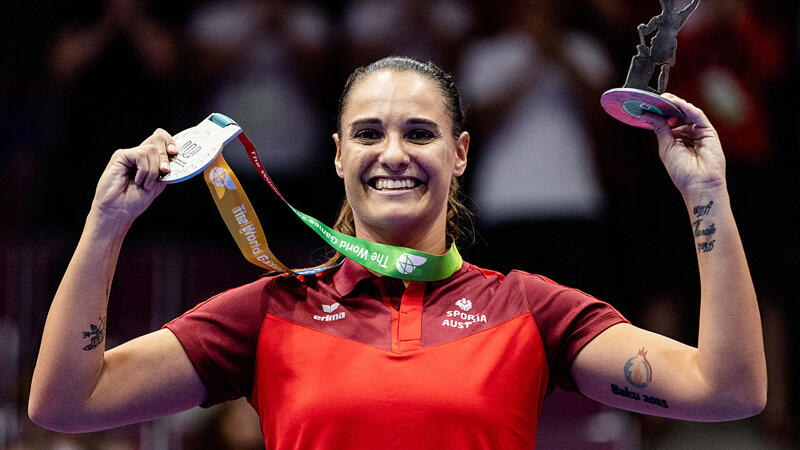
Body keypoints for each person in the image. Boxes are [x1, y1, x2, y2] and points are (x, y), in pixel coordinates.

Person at [29, 56, 766, 448]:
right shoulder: (270, 311)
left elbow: (726, 390)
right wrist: (106, 225)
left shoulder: (530, 310)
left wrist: (708, 195)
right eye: (369, 134)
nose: (394, 154)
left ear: (461, 154)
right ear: (339, 155)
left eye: (419, 133)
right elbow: (67, 403)